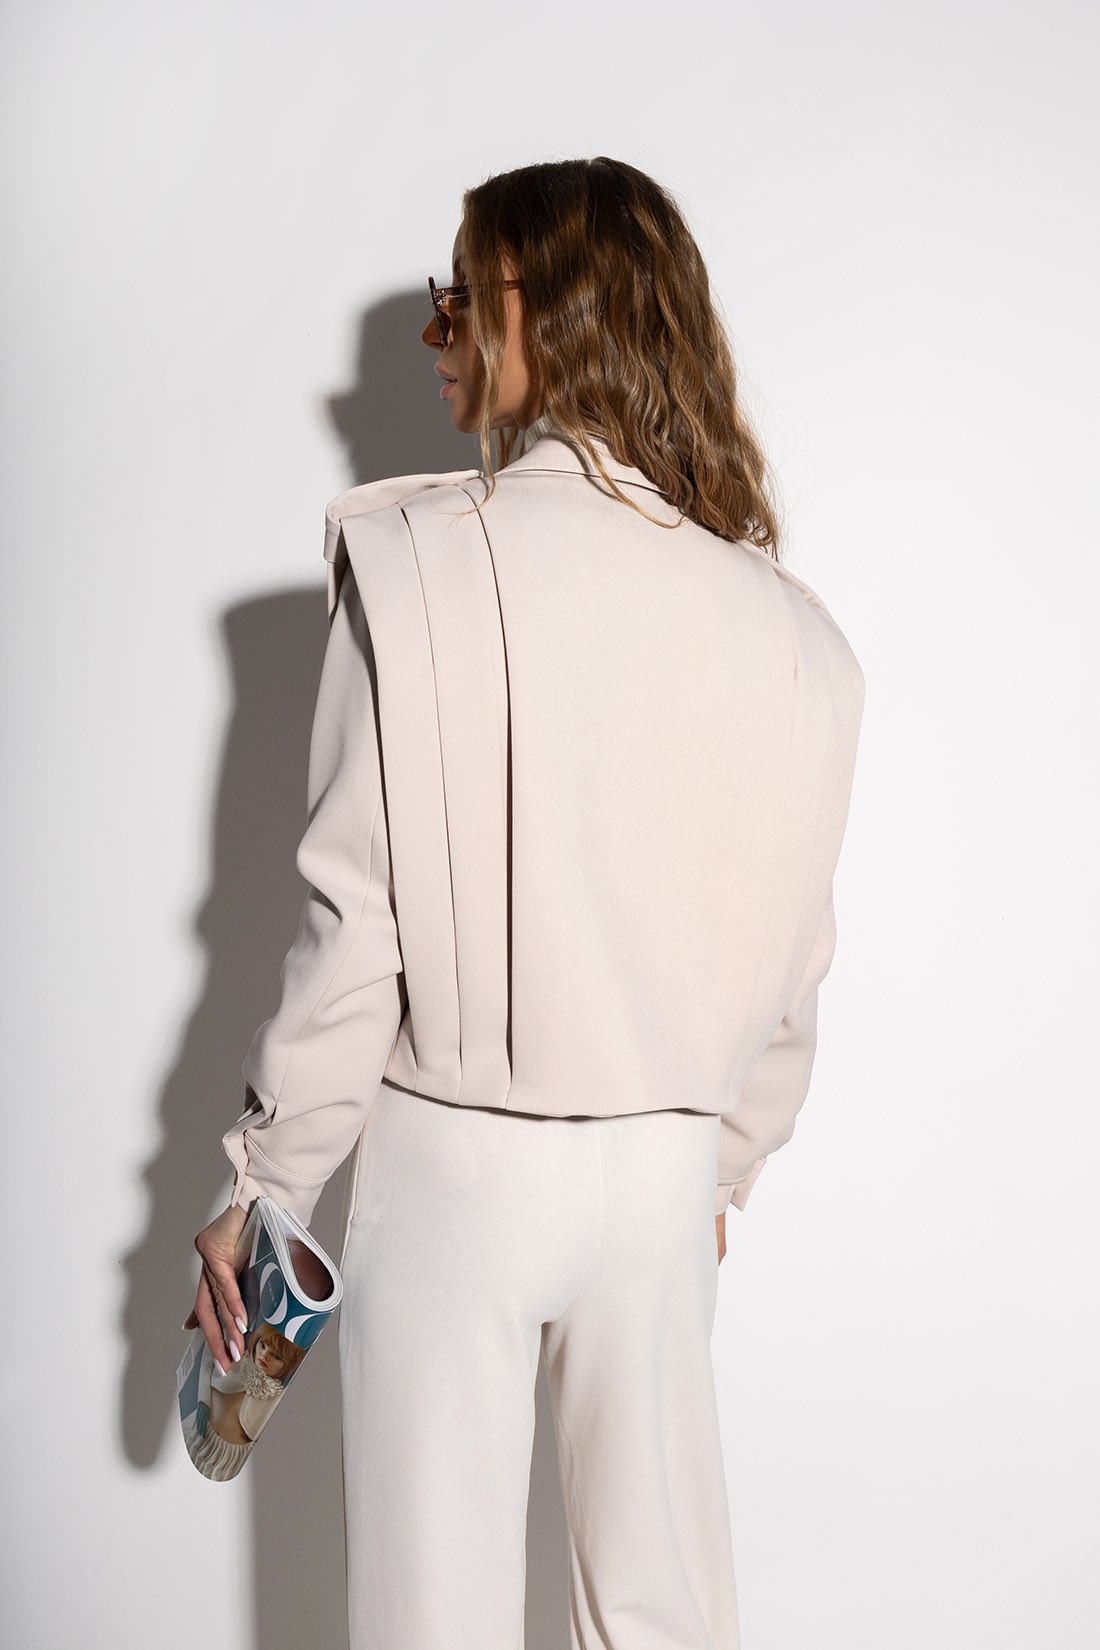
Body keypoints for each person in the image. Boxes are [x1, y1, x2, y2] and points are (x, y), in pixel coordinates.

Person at [184, 155, 866, 1649]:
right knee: (661, 1613)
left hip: (458, 1168)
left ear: (536, 306)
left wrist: (266, 1181)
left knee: (432, 1617)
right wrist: (720, 1169)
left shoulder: (418, 566)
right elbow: (794, 970)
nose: (434, 335)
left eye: (454, 298)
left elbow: (357, 927)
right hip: (664, 1184)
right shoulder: (796, 634)